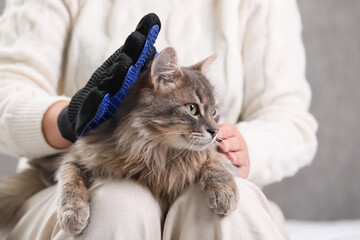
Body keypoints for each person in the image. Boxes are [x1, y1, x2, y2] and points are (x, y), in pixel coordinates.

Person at [0, 0, 317, 239]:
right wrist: (66, 120)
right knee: (116, 205)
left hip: (201, 171)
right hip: (85, 178)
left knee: (229, 210)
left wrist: (243, 148)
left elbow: (291, 121)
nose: (210, 123)